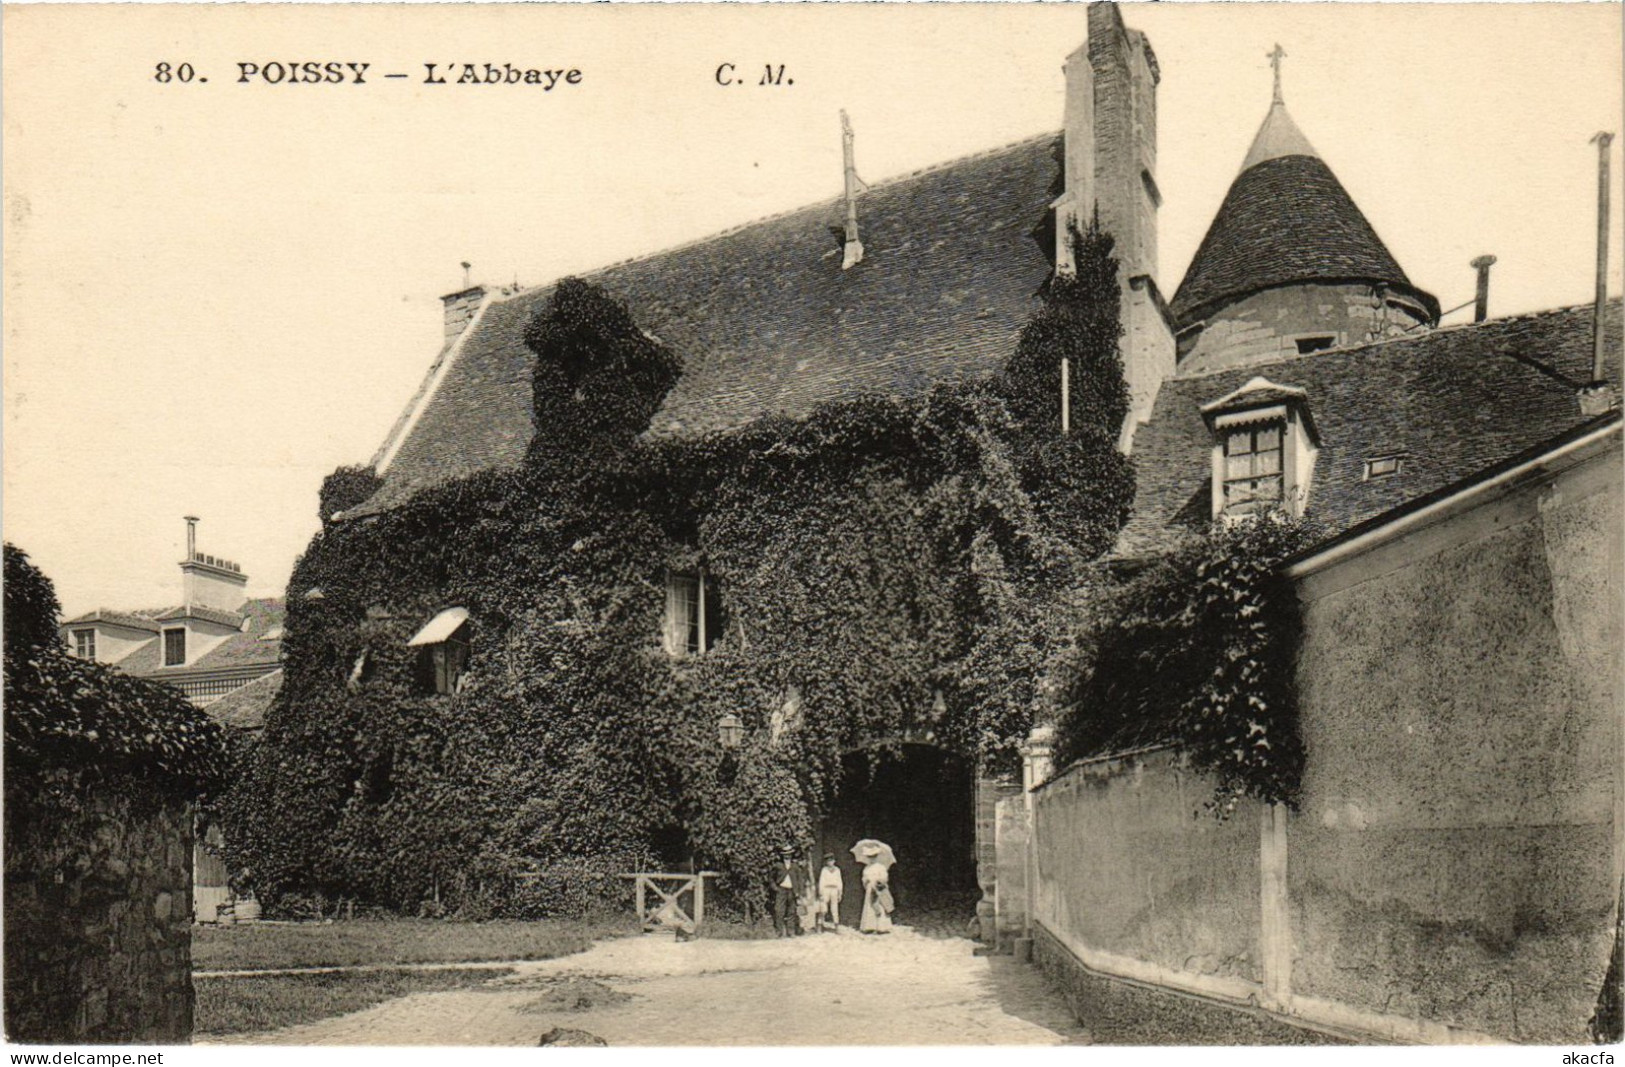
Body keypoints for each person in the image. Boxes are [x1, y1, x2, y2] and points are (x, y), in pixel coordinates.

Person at [769, 846, 806, 937]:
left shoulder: (795, 866)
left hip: (792, 891)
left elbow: (800, 880)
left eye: (789, 854)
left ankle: (791, 931)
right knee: (779, 910)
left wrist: (799, 892)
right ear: (782, 855)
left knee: (792, 911)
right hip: (781, 890)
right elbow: (771, 878)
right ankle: (779, 932)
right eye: (785, 855)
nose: (787, 856)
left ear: (791, 855)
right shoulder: (778, 865)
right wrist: (775, 888)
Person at [859, 856, 894, 934]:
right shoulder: (867, 868)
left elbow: (885, 877)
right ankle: (870, 926)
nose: (872, 859)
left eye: (874, 857)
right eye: (870, 857)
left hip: (878, 888)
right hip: (870, 888)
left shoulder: (881, 867)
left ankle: (881, 927)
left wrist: (879, 881)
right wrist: (866, 880)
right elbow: (864, 878)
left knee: (880, 905)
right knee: (870, 905)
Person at [815, 854, 844, 932]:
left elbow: (839, 882)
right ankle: (819, 925)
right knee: (823, 908)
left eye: (831, 860)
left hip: (834, 890)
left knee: (834, 908)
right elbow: (821, 881)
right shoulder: (824, 870)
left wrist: (840, 892)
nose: (830, 862)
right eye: (828, 861)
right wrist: (821, 892)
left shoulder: (837, 870)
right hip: (826, 890)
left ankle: (836, 926)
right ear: (826, 862)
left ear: (834, 861)